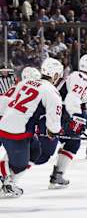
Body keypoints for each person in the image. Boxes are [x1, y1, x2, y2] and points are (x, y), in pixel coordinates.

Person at [0, 58, 63, 197]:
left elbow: (6, 102)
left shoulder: (25, 82)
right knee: (20, 165)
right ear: (56, 75)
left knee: (35, 150)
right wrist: (54, 132)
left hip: (8, 125)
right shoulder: (52, 92)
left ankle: (9, 183)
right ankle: (7, 181)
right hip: (16, 132)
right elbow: (53, 122)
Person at [49, 55, 87, 189]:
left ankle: (57, 175)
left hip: (61, 112)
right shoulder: (81, 77)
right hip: (63, 113)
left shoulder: (78, 77)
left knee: (72, 142)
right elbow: (72, 99)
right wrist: (77, 117)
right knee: (63, 144)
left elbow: (76, 96)